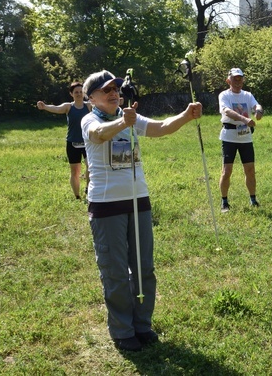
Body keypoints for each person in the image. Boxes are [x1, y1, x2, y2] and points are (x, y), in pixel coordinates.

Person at [81, 70, 202, 352]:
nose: (113, 93)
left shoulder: (129, 116)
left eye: (116, 88)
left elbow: (160, 128)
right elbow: (98, 136)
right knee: (115, 271)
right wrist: (124, 121)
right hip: (106, 205)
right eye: (106, 90)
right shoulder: (91, 119)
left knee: (144, 268)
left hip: (139, 201)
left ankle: (142, 325)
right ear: (92, 98)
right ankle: (122, 330)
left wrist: (185, 115)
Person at [218, 67, 263, 212]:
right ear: (228, 80)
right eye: (235, 79)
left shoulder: (247, 95)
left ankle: (253, 200)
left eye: (240, 79)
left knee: (250, 170)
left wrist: (258, 110)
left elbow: (256, 104)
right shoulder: (224, 95)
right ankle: (224, 202)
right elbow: (227, 111)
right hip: (229, 137)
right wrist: (244, 119)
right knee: (227, 170)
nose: (238, 82)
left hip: (245, 138)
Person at [37, 82, 91, 199]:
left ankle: (89, 189)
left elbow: (103, 106)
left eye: (81, 92)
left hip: (87, 142)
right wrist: (45, 106)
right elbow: (56, 108)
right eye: (76, 92)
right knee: (75, 172)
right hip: (72, 143)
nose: (79, 94)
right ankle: (77, 196)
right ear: (71, 94)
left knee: (90, 167)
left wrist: (117, 101)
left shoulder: (89, 106)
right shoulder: (69, 107)